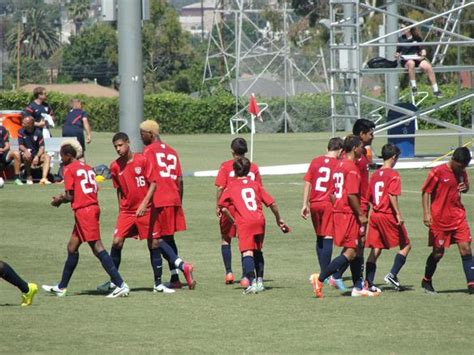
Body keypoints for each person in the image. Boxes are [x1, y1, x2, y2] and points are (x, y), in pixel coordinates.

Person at [42, 144, 130, 298]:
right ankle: (61, 287)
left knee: (97, 248)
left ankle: (120, 284)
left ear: (68, 155)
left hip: (85, 210)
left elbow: (70, 196)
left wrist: (59, 200)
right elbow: (94, 187)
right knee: (72, 247)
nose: (61, 160)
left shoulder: (69, 169)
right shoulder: (88, 167)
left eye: (62, 156)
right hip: (91, 207)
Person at [96, 132, 174, 294]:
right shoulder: (115, 166)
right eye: (115, 147)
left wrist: (145, 203)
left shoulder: (142, 160)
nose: (118, 149)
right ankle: (114, 282)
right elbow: (118, 190)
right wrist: (121, 209)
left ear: (128, 142)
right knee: (117, 242)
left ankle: (158, 284)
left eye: (120, 145)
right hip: (127, 212)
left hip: (146, 209)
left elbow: (153, 183)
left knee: (153, 243)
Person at [310, 135, 378, 298]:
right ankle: (320, 277)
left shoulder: (339, 165)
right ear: (355, 148)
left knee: (356, 249)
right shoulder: (351, 168)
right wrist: (360, 214)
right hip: (348, 214)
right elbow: (352, 195)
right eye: (361, 147)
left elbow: (333, 193)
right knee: (351, 251)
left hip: (339, 212)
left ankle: (357, 287)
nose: (363, 149)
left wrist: (337, 206)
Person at [218, 157, 288, 294]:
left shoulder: (231, 186)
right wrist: (278, 219)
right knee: (258, 250)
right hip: (259, 221)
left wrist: (233, 221)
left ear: (235, 171)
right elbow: (272, 203)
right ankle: (260, 281)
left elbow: (223, 207)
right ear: (249, 170)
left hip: (245, 222)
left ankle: (252, 282)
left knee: (247, 252)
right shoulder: (255, 185)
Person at [140, 120, 195, 290]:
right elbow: (180, 179)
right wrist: (179, 200)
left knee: (155, 239)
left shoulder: (148, 151)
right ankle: (174, 278)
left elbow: (147, 178)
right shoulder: (172, 151)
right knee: (169, 238)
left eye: (142, 133)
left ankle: (181, 265)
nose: (141, 136)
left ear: (151, 133)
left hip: (158, 199)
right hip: (173, 197)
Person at [329, 119, 376, 291]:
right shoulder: (356, 159)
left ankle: (354, 281)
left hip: (354, 204)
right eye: (371, 133)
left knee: (356, 245)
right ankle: (338, 276)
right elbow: (352, 188)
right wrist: (360, 208)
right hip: (357, 205)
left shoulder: (353, 156)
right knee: (357, 245)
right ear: (362, 135)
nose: (373, 136)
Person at [421, 146, 473, 295]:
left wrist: (466, 187)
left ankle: (471, 284)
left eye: (464, 166)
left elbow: (465, 187)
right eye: (461, 165)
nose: (462, 169)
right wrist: (426, 214)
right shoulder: (437, 172)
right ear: (454, 160)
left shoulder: (462, 172)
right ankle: (426, 280)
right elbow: (425, 192)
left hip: (458, 217)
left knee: (466, 248)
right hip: (439, 220)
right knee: (438, 253)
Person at [215, 137, 262, 286]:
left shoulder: (225, 166)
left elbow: (220, 188)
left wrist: (218, 205)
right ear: (246, 151)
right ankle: (245, 276)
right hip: (247, 210)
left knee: (225, 239)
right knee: (246, 242)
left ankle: (229, 272)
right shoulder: (253, 167)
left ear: (232, 152)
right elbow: (258, 188)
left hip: (229, 206)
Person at [365, 143, 411, 291]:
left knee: (376, 248)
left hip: (375, 215)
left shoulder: (375, 174)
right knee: (406, 245)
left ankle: (368, 282)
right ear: (393, 157)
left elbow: (370, 196)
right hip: (387, 215)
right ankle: (392, 274)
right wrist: (397, 214)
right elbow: (392, 195)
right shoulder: (393, 174)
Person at [301, 137, 343, 280]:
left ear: (327, 148)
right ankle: (325, 274)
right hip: (327, 204)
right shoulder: (338, 164)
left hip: (314, 203)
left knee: (319, 236)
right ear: (340, 150)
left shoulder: (315, 161)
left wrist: (304, 204)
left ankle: (323, 271)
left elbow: (307, 182)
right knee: (328, 237)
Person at [395, 22, 443, 98]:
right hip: (407, 60)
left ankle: (436, 89)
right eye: (401, 28)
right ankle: (414, 87)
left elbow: (423, 50)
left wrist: (423, 53)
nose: (401, 30)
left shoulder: (417, 38)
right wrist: (397, 55)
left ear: (409, 28)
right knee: (411, 63)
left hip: (417, 58)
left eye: (403, 28)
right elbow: (397, 51)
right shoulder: (400, 39)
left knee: (428, 66)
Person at [17, 116, 51, 185]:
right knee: (26, 156)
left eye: (24, 123)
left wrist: (37, 156)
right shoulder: (20, 131)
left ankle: (44, 178)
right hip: (26, 154)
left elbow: (42, 147)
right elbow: (21, 146)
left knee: (47, 157)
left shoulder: (38, 132)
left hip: (36, 154)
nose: (22, 124)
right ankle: (29, 177)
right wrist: (26, 151)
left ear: (30, 124)